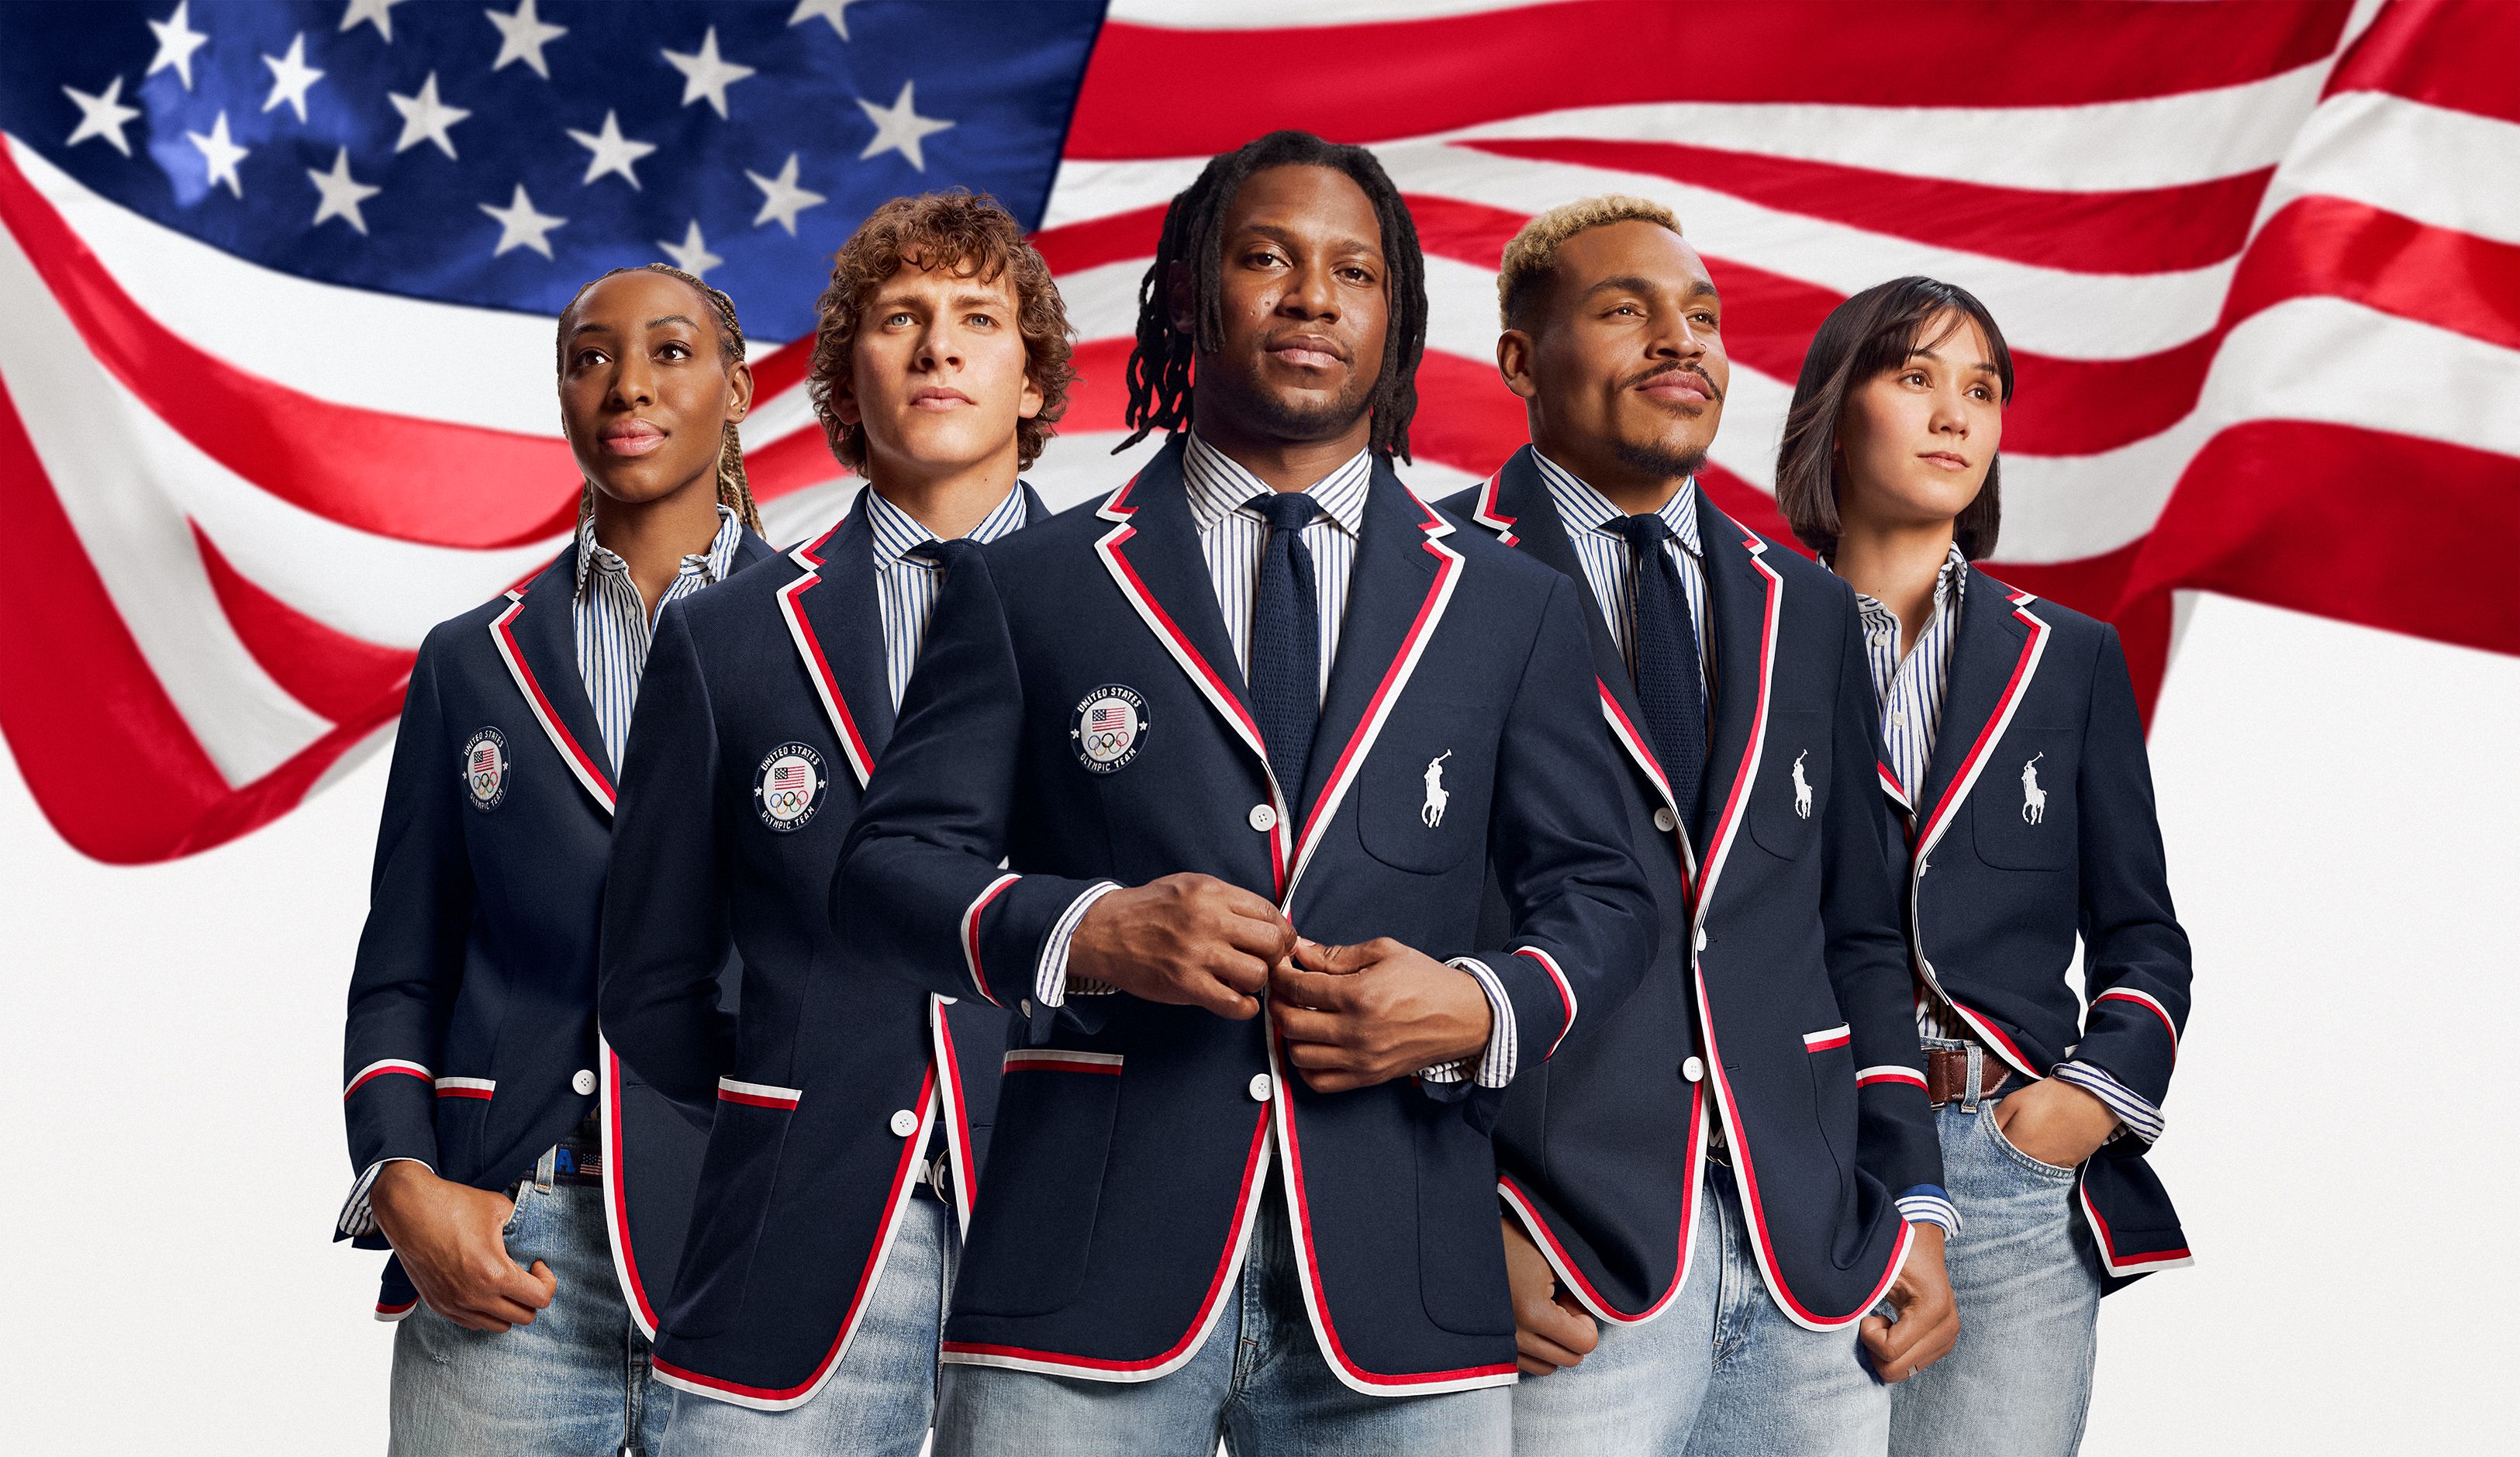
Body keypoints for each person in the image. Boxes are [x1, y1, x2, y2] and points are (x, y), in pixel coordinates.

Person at [830, 130, 1656, 1456]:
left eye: (1355, 271)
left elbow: (1609, 895)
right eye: (1266, 257)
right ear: (1187, 297)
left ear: (1395, 321)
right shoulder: (1030, 582)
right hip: (1078, 1278)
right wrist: (1087, 931)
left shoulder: (1511, 606)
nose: (1312, 296)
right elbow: (889, 869)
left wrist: (1476, 1004)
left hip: (1404, 1281)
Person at [1438, 198, 1959, 1456]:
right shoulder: (1431, 577)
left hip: (1810, 1272)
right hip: (1561, 1267)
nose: (1682, 342)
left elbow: (1861, 936)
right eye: (1626, 311)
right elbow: (1369, 926)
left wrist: (1915, 1207)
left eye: (1703, 318)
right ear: (1518, 358)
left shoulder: (1811, 612)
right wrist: (1450, 1220)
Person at [598, 191, 1070, 1450]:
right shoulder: (729, 636)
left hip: (1077, 1229)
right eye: (899, 318)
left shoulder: (1142, 609)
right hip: (793, 1240)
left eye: (978, 317)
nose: (938, 347)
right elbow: (648, 975)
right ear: (843, 386)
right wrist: (786, 1084)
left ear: (1032, 381)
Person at [337, 263, 775, 1453]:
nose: (626, 383)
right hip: (504, 1249)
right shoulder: (470, 659)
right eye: (589, 357)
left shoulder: (827, 633)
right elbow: (401, 969)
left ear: (737, 387)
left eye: (672, 351)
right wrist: (399, 1181)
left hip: (766, 1242)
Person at [1771, 275, 2194, 1456]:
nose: (1954, 414)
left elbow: (2142, 934)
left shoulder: (2069, 661)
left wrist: (2069, 1110)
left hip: (2009, 1169)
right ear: (1833, 409)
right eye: (1913, 377)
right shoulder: (1743, 638)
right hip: (1790, 1152)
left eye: (1981, 390)